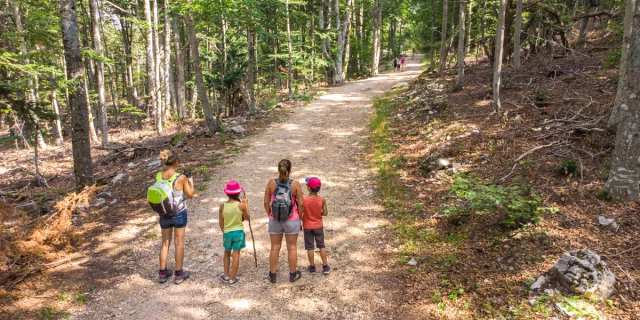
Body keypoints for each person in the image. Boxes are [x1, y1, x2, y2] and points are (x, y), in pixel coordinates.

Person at [157, 150, 195, 284]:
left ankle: (162, 273)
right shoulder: (181, 177)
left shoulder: (159, 176)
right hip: (178, 212)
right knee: (179, 243)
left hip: (164, 213)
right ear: (176, 161)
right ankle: (178, 274)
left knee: (165, 243)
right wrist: (191, 181)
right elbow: (190, 194)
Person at [263, 159, 305, 283]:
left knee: (275, 247)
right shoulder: (295, 184)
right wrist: (300, 217)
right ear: (290, 169)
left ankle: (273, 274)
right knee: (292, 247)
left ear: (278, 169)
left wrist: (270, 213)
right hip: (292, 219)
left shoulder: (271, 183)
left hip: (275, 219)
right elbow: (301, 204)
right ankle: (292, 275)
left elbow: (266, 202)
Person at [218, 180, 250, 286]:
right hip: (238, 233)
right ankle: (233, 278)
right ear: (239, 193)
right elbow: (247, 217)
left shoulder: (222, 206)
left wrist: (224, 231)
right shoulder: (241, 206)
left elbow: (221, 222)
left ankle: (226, 275)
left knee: (227, 252)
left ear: (227, 193)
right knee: (236, 254)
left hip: (227, 233)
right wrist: (246, 204)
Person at [302, 177, 330, 275]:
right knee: (321, 245)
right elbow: (325, 213)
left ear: (309, 188)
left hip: (307, 226)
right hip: (318, 225)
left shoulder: (304, 199)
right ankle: (325, 266)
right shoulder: (321, 199)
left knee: (310, 247)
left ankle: (312, 267)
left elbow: (301, 213)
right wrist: (318, 214)